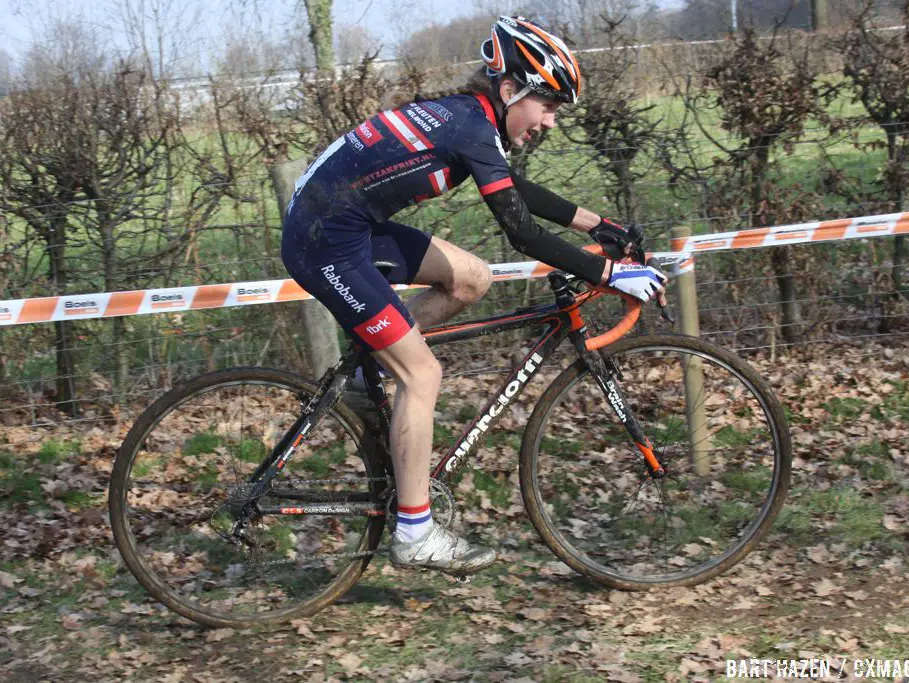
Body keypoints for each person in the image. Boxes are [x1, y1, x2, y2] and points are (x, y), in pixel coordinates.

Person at [280, 15, 667, 574]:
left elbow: (514, 190)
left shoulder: (472, 121)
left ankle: (367, 372)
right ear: (511, 91)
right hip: (326, 242)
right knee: (424, 375)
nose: (551, 123)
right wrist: (607, 274)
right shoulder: (469, 127)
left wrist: (596, 224)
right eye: (549, 106)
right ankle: (415, 531)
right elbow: (522, 232)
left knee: (471, 278)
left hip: (346, 224)